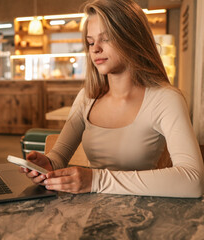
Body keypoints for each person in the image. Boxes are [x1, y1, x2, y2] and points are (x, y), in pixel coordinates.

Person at [21, 0, 204, 198]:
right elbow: (58, 158)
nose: (95, 49)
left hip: (144, 215)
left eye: (106, 39)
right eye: (91, 42)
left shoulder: (165, 99)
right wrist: (47, 165)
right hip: (92, 215)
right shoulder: (87, 97)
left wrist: (96, 180)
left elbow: (193, 180)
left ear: (133, 39)